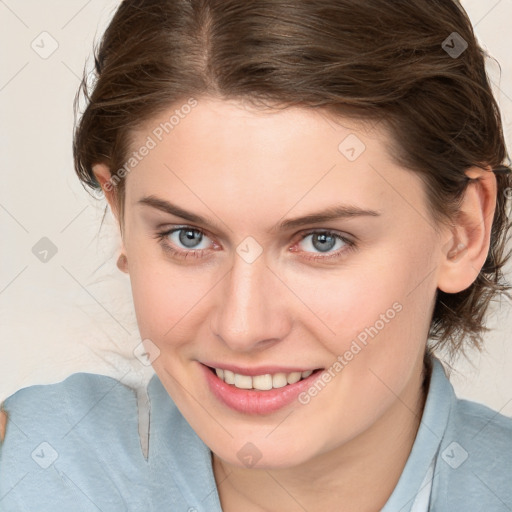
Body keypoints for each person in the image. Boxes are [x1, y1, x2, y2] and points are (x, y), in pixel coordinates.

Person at [1, 0, 511, 510]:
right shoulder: (27, 471)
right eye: (188, 236)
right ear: (122, 220)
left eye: (322, 241)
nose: (243, 327)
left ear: (463, 232)